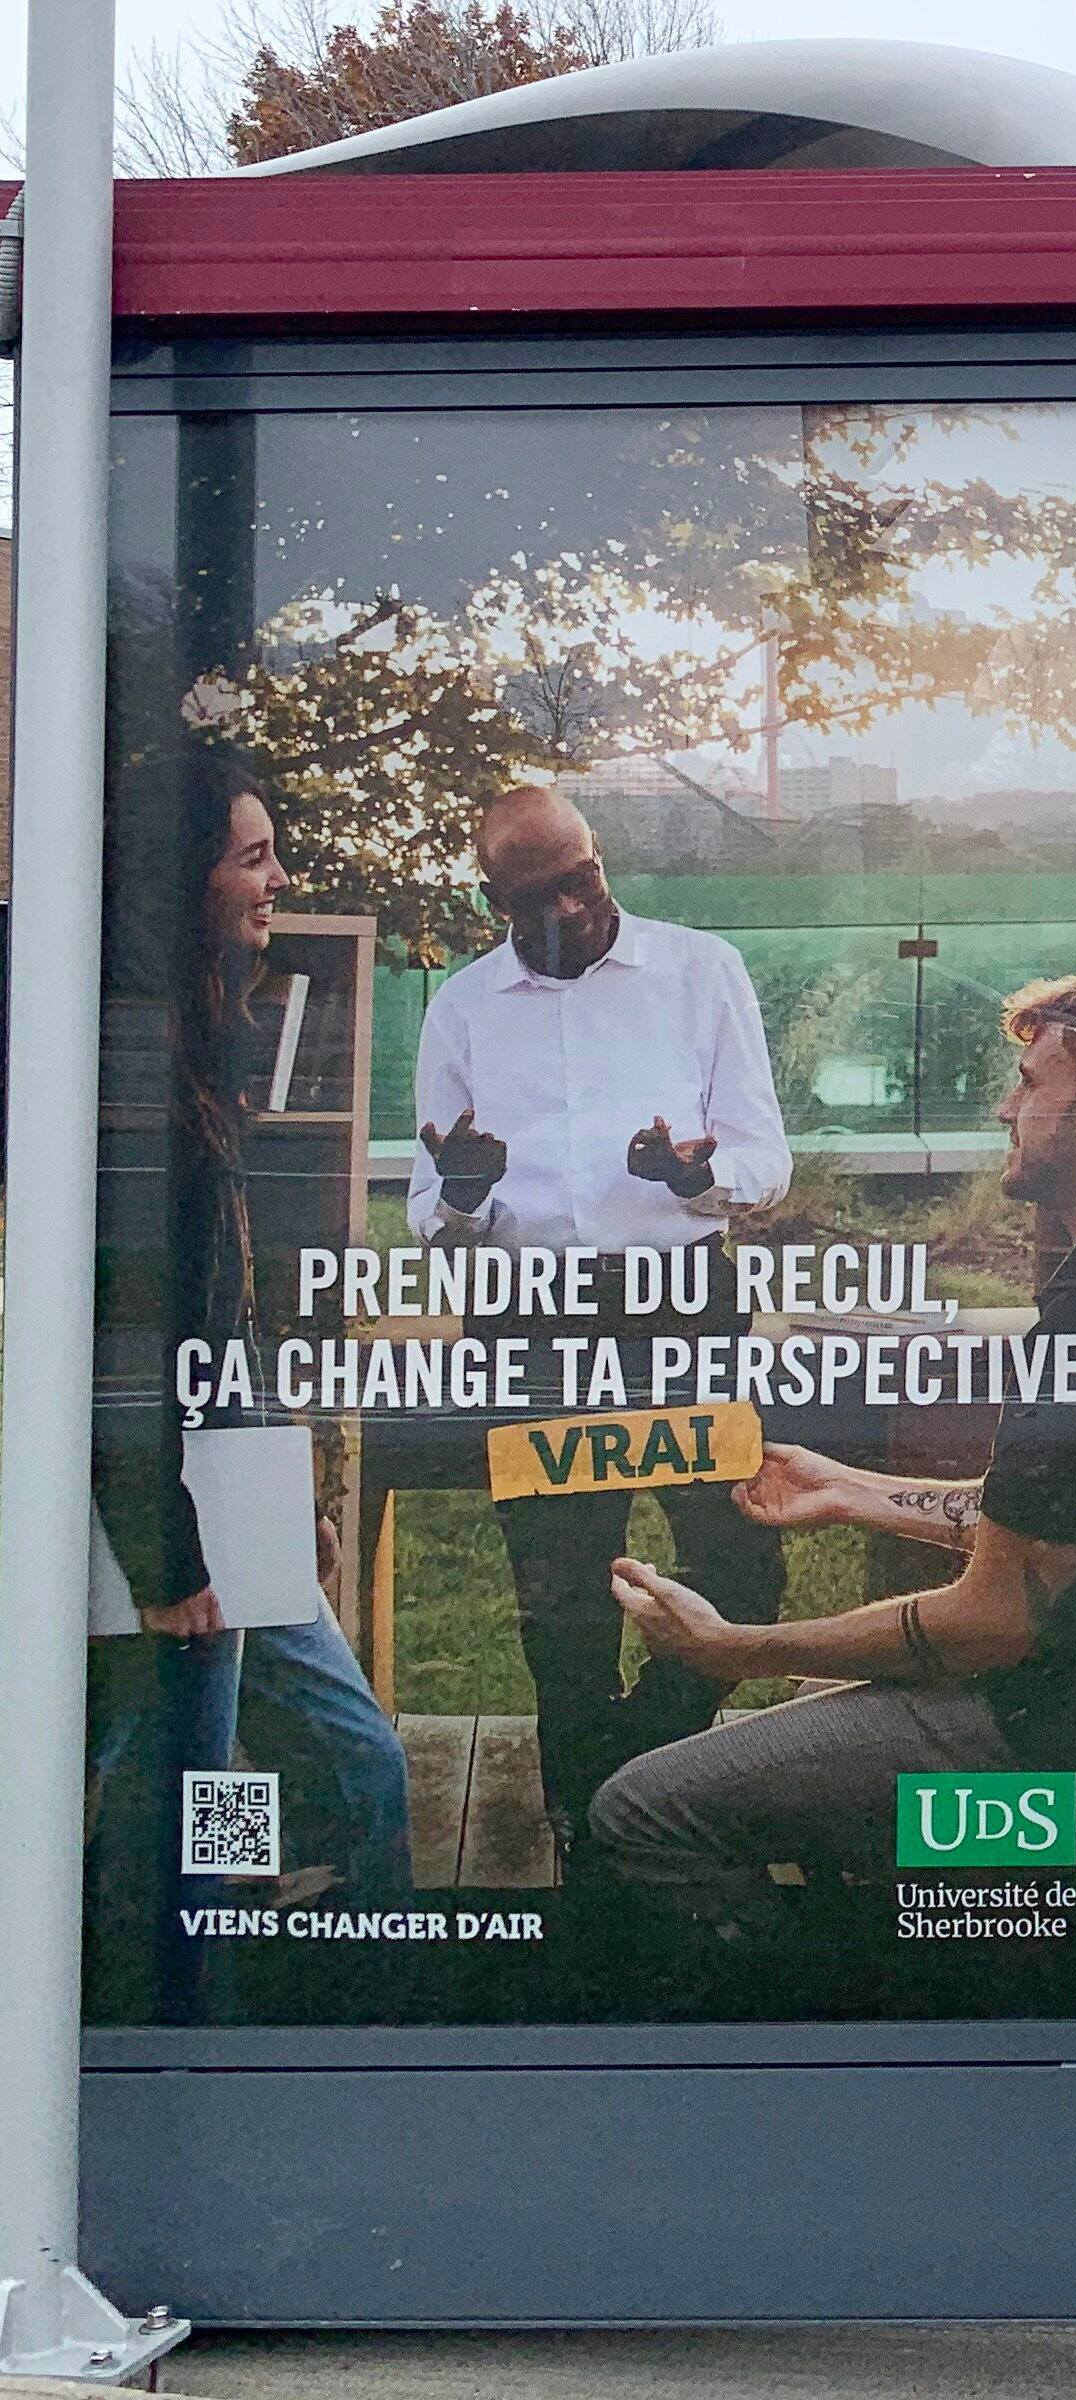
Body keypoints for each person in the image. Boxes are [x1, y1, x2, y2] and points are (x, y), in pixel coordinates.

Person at [588, 967, 1076, 1923]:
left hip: (1065, 1772)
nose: (1005, 1105)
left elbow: (992, 1624)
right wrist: (858, 1491)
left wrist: (731, 1648)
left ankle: (809, 2044)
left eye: (1032, 1084)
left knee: (644, 1809)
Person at [409, 784, 791, 1869]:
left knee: (737, 1557)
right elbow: (431, 1213)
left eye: (582, 881)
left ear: (600, 859)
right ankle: (590, 1815)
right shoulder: (465, 1007)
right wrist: (470, 1192)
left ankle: (644, 1755)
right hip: (532, 1320)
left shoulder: (699, 971)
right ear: (494, 900)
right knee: (560, 1583)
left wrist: (694, 1175)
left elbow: (766, 1159)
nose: (571, 911)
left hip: (680, 1301)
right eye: (538, 897)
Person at [88, 744, 412, 2003]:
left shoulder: (197, 1043)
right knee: (195, 1819)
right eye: (255, 856)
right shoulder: (133, 1068)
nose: (280, 876)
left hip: (231, 1482)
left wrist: (290, 1502)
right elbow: (125, 1342)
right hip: (176, 1518)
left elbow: (218, 1322)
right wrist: (177, 1565)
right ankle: (195, 2025)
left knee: (361, 1766)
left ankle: (335, 2005)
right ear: (187, 885)